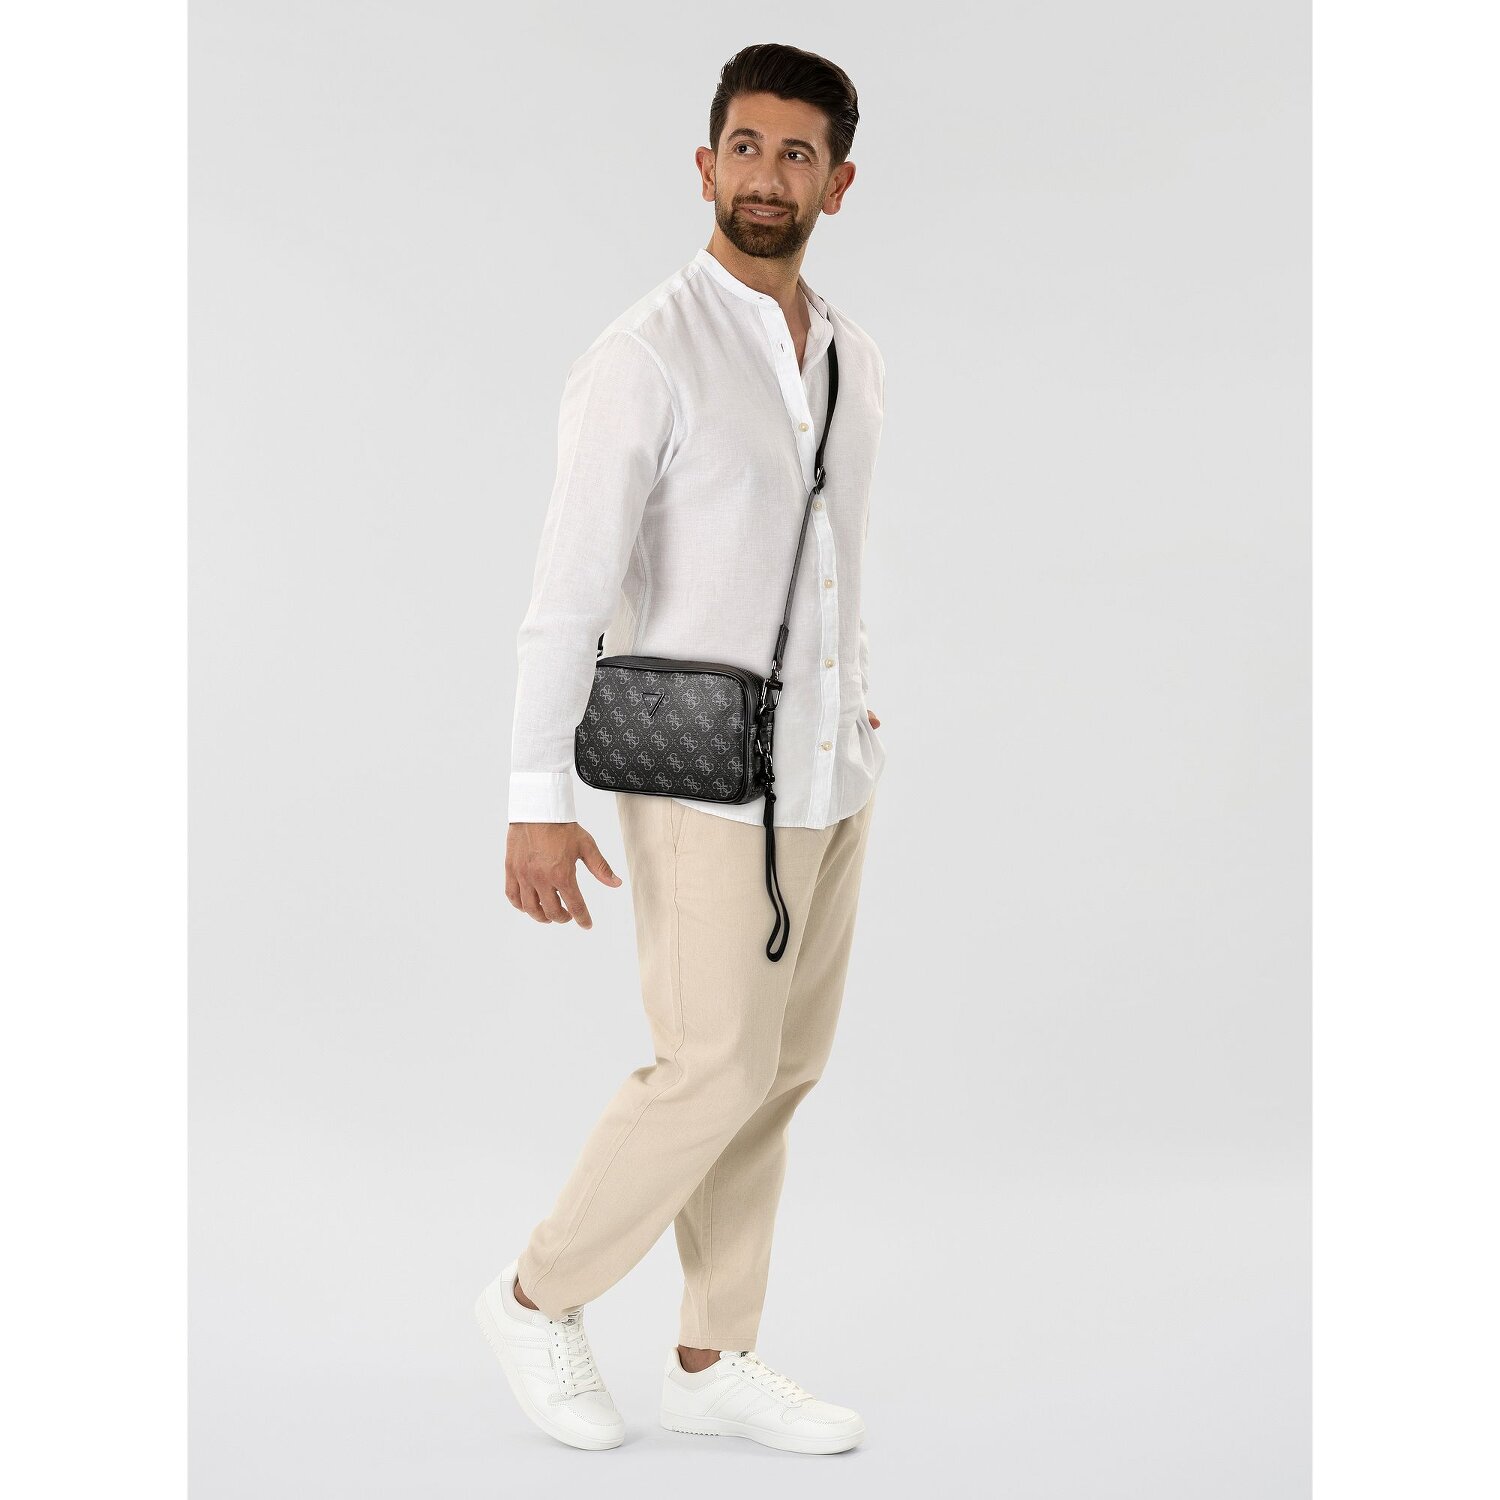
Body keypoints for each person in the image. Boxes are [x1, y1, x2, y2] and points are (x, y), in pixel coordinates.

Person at [475, 42, 887, 1455]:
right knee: (711, 1063)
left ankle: (714, 1355)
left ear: (838, 182)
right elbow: (567, 594)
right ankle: (536, 1296)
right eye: (746, 146)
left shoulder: (853, 356)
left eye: (797, 153)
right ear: (705, 165)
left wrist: (857, 702)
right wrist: (536, 797)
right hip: (703, 781)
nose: (768, 175)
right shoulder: (644, 355)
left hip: (829, 773)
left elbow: (830, 563)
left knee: (778, 1073)